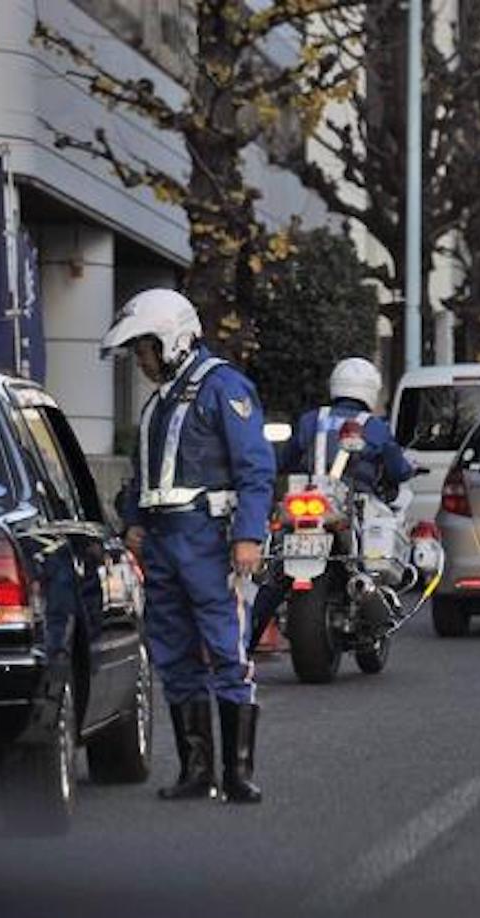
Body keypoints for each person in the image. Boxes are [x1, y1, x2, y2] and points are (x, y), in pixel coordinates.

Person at [102, 289, 275, 804]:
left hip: (209, 540)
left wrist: (248, 535)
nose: (141, 361)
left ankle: (237, 773)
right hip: (161, 542)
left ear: (172, 340)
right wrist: (132, 521)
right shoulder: (160, 404)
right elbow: (143, 476)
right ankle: (197, 772)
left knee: (226, 649)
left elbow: (255, 467)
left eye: (144, 349)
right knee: (173, 654)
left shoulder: (224, 387)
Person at [248, 357, 415, 653]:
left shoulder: (311, 420)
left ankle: (246, 640)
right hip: (353, 502)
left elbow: (286, 460)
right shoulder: (374, 426)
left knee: (276, 573)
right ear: (371, 390)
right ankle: (371, 596)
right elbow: (398, 470)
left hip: (308, 497)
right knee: (370, 558)